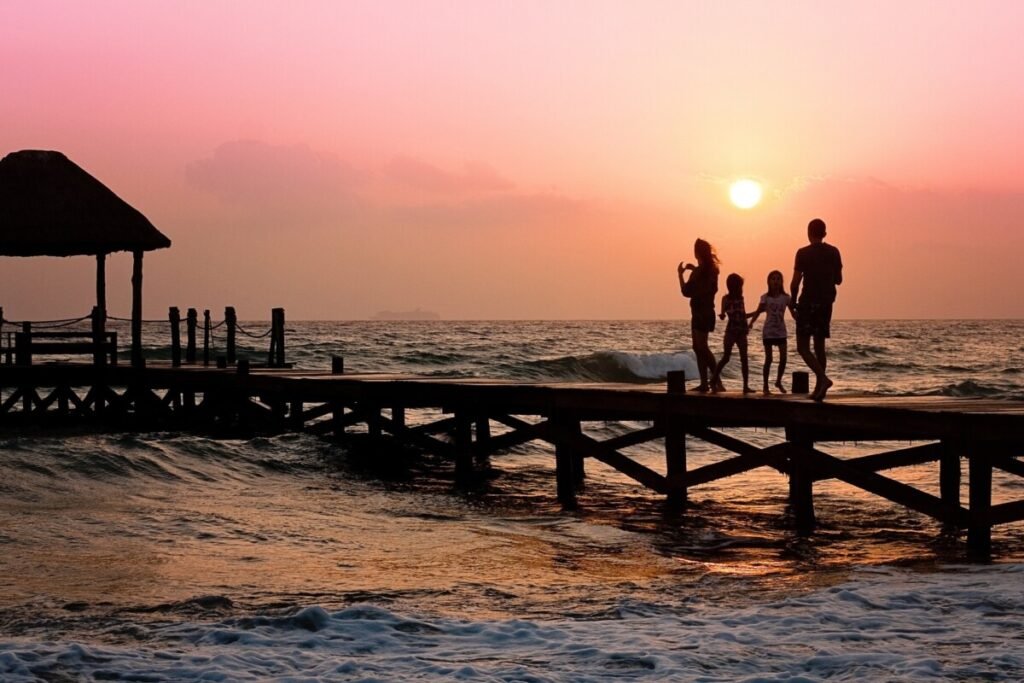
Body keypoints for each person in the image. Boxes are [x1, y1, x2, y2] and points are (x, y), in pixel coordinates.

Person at [790, 218, 843, 401]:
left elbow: (795, 283)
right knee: (819, 346)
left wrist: (793, 302)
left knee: (802, 347)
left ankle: (822, 379)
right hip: (826, 303)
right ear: (825, 234)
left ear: (808, 233)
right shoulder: (834, 252)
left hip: (807, 303)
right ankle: (819, 390)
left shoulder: (802, 253)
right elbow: (839, 280)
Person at [678, 238, 720, 392]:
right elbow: (707, 286)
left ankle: (715, 381)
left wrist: (680, 274)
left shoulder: (699, 272)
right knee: (698, 347)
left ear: (697, 252)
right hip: (708, 312)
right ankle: (706, 383)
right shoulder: (712, 270)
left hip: (700, 313)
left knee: (701, 347)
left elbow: (686, 291)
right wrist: (694, 269)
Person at [748, 270, 792, 394]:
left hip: (781, 332)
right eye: (773, 279)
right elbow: (758, 311)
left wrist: (801, 320)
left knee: (783, 359)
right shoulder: (765, 298)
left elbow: (794, 313)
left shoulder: (786, 298)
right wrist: (751, 323)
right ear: (768, 282)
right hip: (768, 332)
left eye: (778, 279)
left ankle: (778, 381)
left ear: (782, 282)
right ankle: (765, 386)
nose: (775, 281)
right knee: (769, 359)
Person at [710, 273, 754, 393]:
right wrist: (722, 315)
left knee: (744, 359)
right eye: (740, 286)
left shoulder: (741, 298)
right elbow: (724, 314)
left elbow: (743, 315)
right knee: (726, 357)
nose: (741, 288)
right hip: (731, 331)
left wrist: (756, 313)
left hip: (741, 332)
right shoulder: (726, 299)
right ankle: (713, 379)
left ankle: (745, 386)